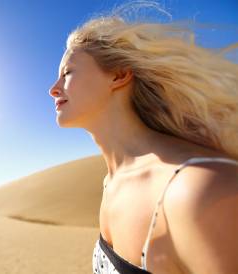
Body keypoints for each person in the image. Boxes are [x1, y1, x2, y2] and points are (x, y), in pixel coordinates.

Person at [48, 6, 238, 274]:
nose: (53, 88)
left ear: (119, 75)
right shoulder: (111, 181)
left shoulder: (197, 190)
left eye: (67, 73)